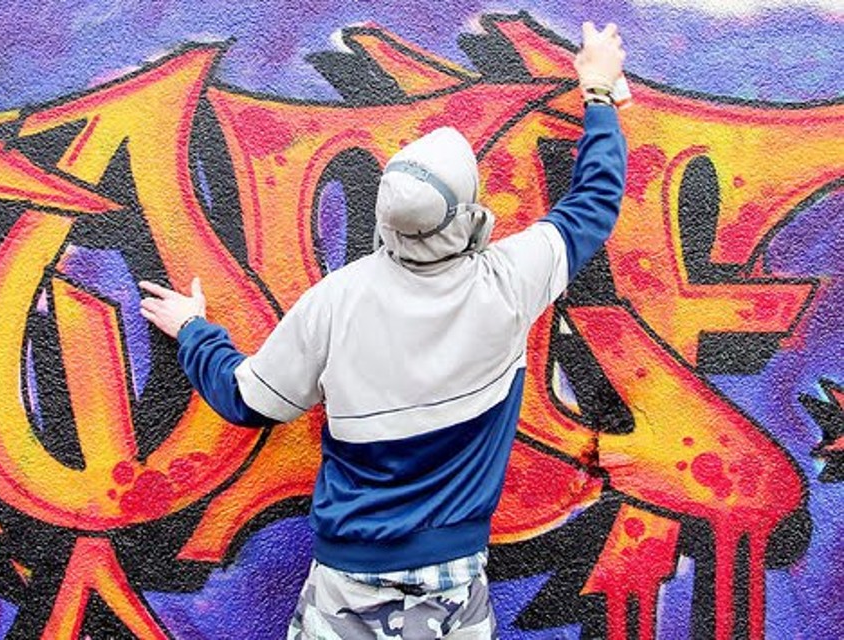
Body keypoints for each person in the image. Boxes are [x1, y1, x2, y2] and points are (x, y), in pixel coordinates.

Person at [140, 20, 627, 640]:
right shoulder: (507, 284)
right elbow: (594, 203)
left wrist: (193, 330)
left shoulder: (336, 302)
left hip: (347, 585)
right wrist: (598, 91)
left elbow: (248, 400)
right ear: (468, 217)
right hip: (455, 586)